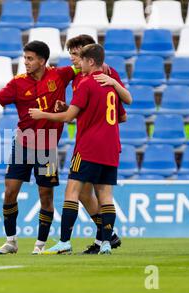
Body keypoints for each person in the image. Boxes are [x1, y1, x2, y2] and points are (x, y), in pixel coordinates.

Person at [0, 40, 97, 255]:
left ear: (42, 60)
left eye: (30, 59)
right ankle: (10, 241)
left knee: (46, 196)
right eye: (25, 58)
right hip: (22, 145)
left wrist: (109, 78)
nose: (26, 63)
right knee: (10, 192)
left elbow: (88, 65)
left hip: (47, 147)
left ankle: (40, 245)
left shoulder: (61, 74)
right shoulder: (17, 82)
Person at [30, 43, 126, 255]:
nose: (76, 63)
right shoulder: (110, 84)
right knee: (105, 196)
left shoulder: (86, 83)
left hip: (89, 146)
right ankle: (106, 243)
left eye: (79, 58)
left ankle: (64, 242)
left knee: (71, 192)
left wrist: (43, 114)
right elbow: (122, 114)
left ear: (90, 61)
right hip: (111, 147)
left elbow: (68, 117)